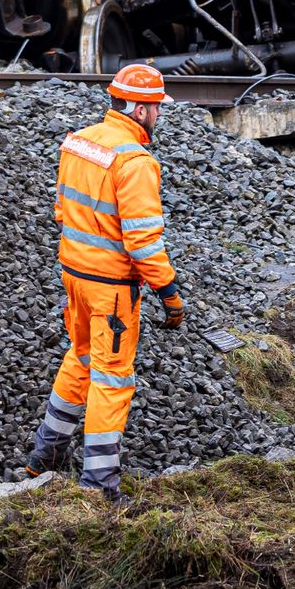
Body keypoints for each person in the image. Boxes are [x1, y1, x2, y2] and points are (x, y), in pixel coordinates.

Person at [25, 63, 186, 501]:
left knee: (80, 357)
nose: (157, 116)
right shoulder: (135, 161)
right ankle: (99, 486)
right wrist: (169, 293)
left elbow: (63, 210)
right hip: (111, 287)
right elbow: (143, 243)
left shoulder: (78, 141)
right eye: (154, 108)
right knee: (112, 378)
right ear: (136, 108)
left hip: (73, 274)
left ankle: (45, 456)